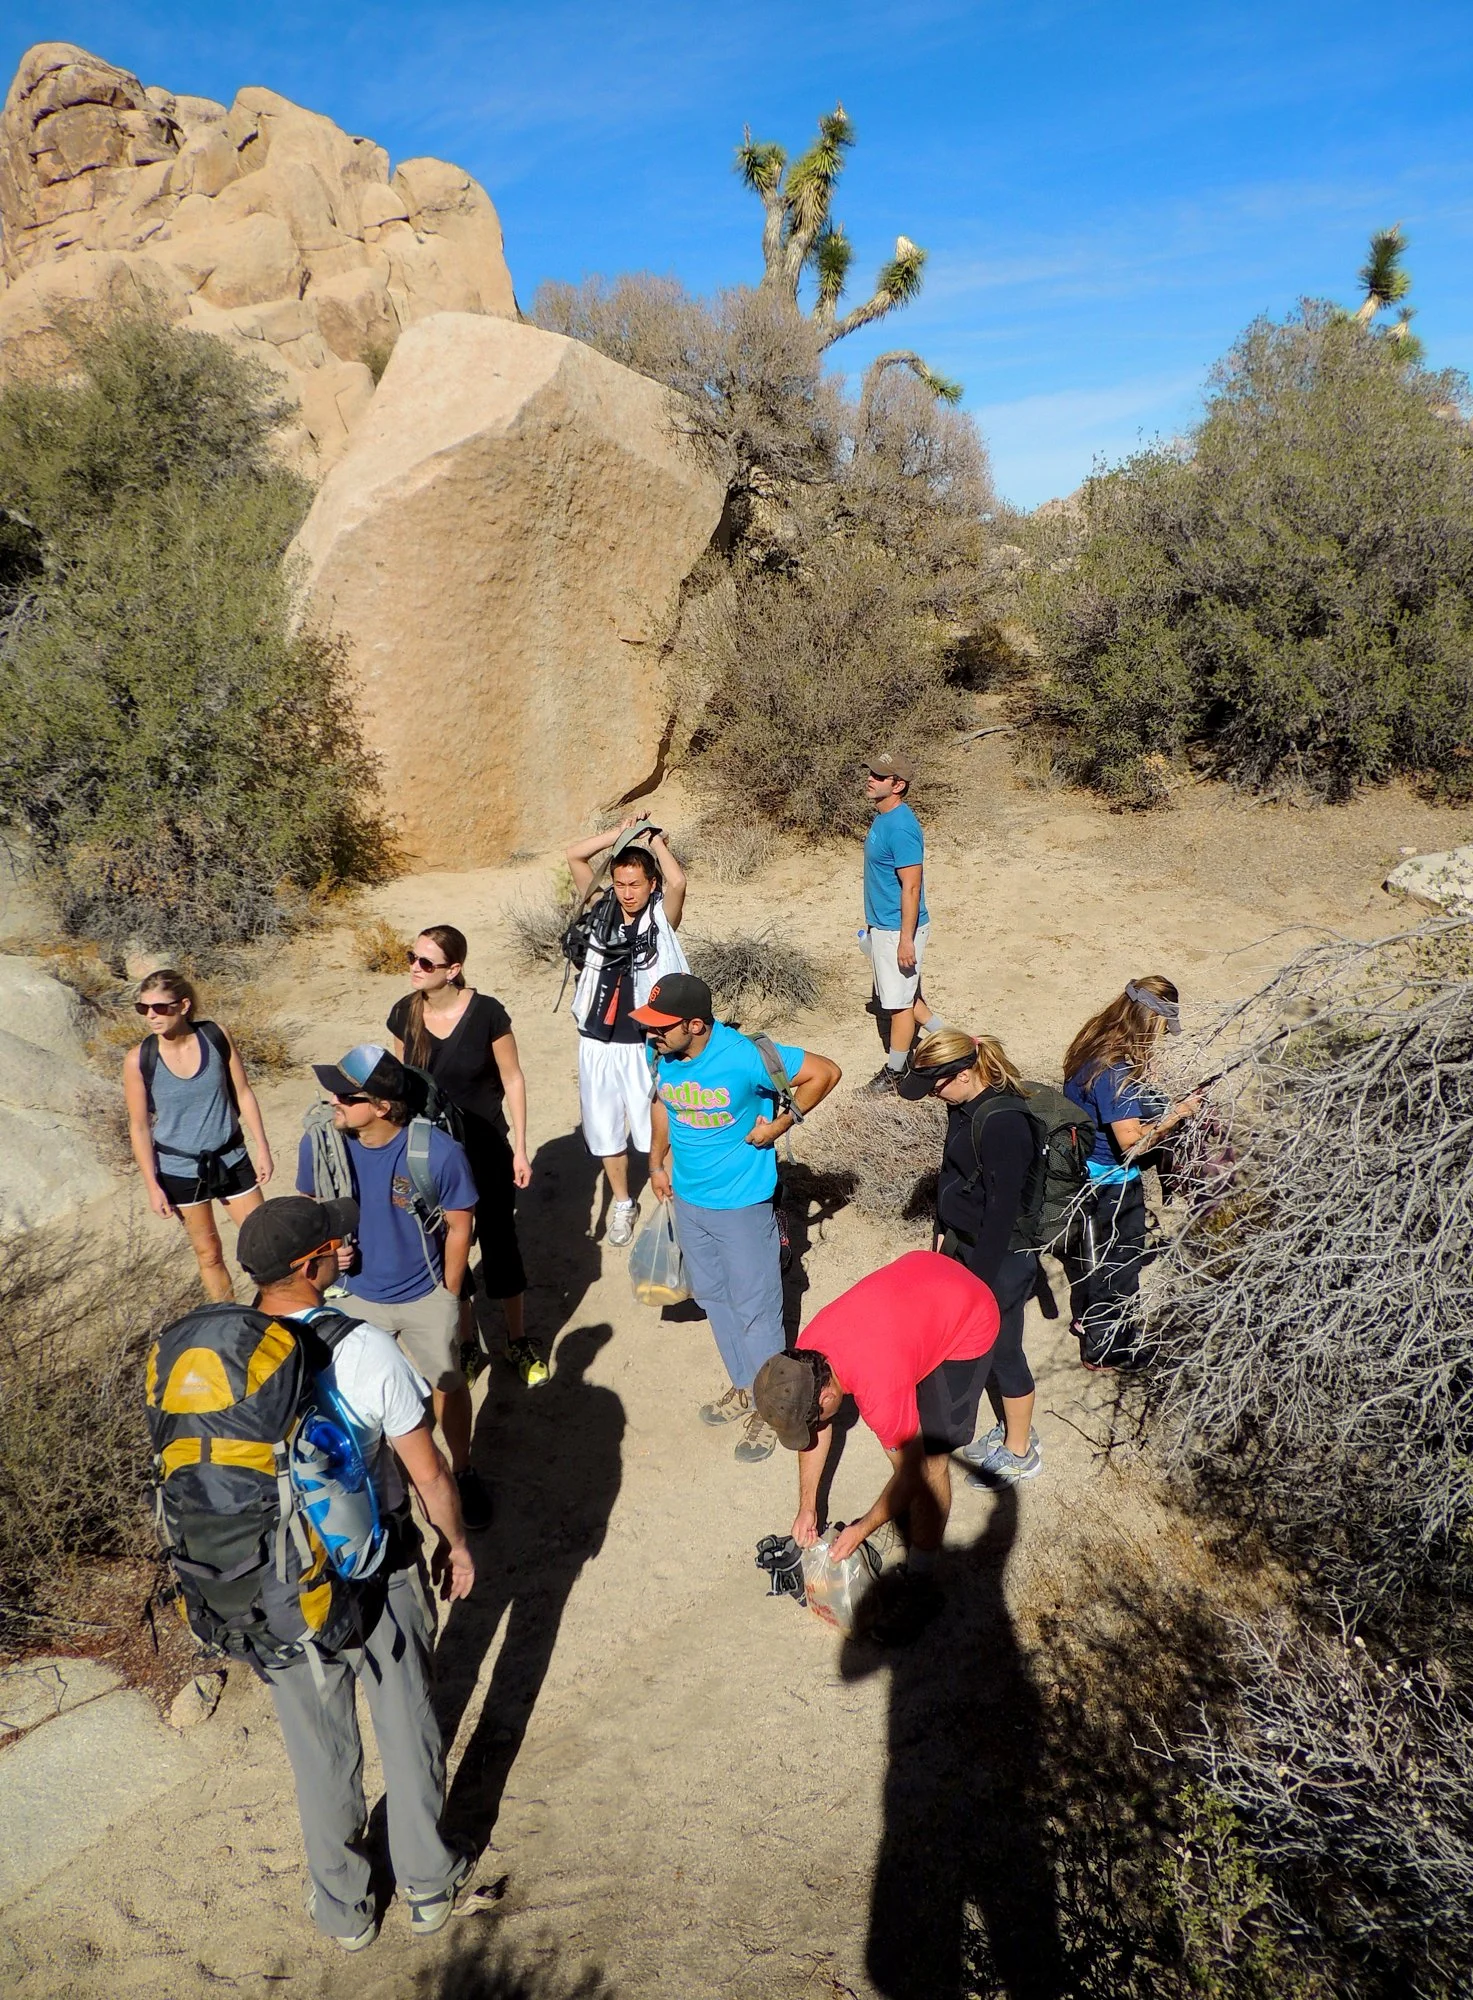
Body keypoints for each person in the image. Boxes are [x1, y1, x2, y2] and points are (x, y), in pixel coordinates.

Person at [235, 1195, 477, 1951]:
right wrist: (457, 1543)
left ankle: (343, 1908)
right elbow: (427, 1468)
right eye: (334, 1244)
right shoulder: (362, 1346)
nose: (346, 1248)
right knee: (405, 1725)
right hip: (376, 1570)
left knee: (318, 1750)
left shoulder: (225, 1350)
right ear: (311, 1267)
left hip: (276, 1583)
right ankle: (427, 1887)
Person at [637, 973, 841, 1463]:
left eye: (662, 1027)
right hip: (689, 1201)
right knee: (713, 1297)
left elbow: (826, 1072)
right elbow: (664, 1105)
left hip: (744, 1206)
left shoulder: (744, 1056)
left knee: (757, 1311)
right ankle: (744, 1386)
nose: (652, 1035)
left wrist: (780, 1125)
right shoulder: (662, 1054)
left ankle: (773, 1410)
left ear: (696, 1024)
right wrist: (655, 1162)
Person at [753, 1250, 1001, 1643]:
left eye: (813, 1418)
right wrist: (807, 1505)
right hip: (920, 1283)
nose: (814, 1426)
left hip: (968, 1315)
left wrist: (863, 1527)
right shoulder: (805, 1361)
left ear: (827, 1398)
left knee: (932, 1460)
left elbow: (912, 1472)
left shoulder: (877, 1389)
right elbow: (815, 1430)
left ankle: (922, 1582)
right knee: (909, 1411)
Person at [296, 1043, 492, 1529]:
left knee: (447, 1385)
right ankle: (382, 1489)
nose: (332, 1103)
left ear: (381, 1107)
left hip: (425, 1295)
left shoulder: (437, 1153)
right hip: (354, 1296)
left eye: (345, 1096)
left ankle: (462, 1470)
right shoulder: (322, 1143)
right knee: (360, 1400)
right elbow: (308, 1207)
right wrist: (327, 1248)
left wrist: (447, 1294)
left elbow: (460, 1223)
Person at [386, 925, 540, 1385]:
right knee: (446, 1243)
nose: (415, 967)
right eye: (411, 957)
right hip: (430, 1155)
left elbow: (512, 1078)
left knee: (499, 1241)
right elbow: (399, 1086)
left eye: (426, 962)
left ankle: (516, 1340)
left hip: (487, 1147)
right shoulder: (404, 1014)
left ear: (453, 970)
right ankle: (469, 1343)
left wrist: (522, 1149)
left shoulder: (488, 1013)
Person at [898, 1028, 1043, 1485]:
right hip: (967, 1246)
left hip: (1001, 1258)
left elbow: (1002, 1212)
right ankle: (1008, 1430)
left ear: (963, 1073)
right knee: (975, 1344)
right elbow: (954, 1176)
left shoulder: (1002, 1122)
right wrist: (943, 1235)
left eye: (937, 1086)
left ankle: (1021, 1450)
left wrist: (976, 1284)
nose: (934, 1096)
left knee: (1004, 1350)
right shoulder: (962, 1106)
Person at [1063, 975, 1200, 1368]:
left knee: (1094, 1257)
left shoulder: (1095, 1040)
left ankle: (1088, 1320)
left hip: (1085, 1173)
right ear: (1147, 1020)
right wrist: (1177, 1114)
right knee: (1119, 1264)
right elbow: (1132, 1142)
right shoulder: (1114, 1068)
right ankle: (1106, 1350)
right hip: (1112, 1182)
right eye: (1160, 1027)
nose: (1160, 1037)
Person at [565, 817, 688, 1246]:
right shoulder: (601, 908)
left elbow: (678, 881)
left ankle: (669, 1203)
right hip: (597, 1040)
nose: (627, 892)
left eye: (635, 883)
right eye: (620, 883)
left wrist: (653, 839)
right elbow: (575, 855)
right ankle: (622, 1203)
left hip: (644, 1043)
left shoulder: (659, 917)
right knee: (604, 1128)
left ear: (649, 883)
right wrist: (619, 833)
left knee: (655, 1125)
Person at [123, 969, 273, 1302]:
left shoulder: (216, 1036)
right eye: (143, 1009)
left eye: (160, 1007)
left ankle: (277, 1313)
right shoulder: (138, 1060)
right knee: (209, 1254)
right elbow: (139, 1126)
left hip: (232, 1157)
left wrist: (262, 1147)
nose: (151, 1016)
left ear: (184, 1005)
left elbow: (244, 1092)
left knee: (264, 1243)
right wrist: (152, 1185)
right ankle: (230, 1320)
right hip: (180, 1170)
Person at [857, 754, 944, 1093]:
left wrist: (905, 939)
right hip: (885, 928)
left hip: (898, 931)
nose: (871, 779)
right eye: (872, 773)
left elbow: (912, 886)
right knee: (907, 998)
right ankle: (957, 1043)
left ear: (898, 785)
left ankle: (895, 1073)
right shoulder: (883, 818)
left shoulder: (903, 828)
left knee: (898, 1007)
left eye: (880, 776)